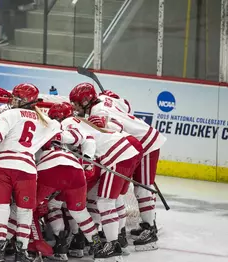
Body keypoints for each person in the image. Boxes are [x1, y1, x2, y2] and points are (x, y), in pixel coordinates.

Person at [0, 83, 61, 262]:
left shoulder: (10, 114)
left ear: (25, 100)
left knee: (1, 209)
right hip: (26, 167)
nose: (14, 101)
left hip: (3, 164)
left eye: (17, 98)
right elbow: (59, 131)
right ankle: (22, 255)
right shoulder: (47, 122)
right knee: (25, 212)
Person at [69, 82, 166, 252]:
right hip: (138, 143)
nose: (76, 108)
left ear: (85, 101)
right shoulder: (105, 99)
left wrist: (104, 125)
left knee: (142, 187)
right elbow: (126, 105)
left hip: (145, 144)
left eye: (77, 104)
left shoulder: (98, 111)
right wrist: (113, 96)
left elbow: (116, 128)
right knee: (137, 188)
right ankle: (147, 225)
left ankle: (149, 229)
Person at [38, 102, 102, 262]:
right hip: (78, 171)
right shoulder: (72, 127)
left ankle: (59, 244)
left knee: (34, 207)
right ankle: (95, 245)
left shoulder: (58, 126)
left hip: (51, 170)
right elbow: (87, 139)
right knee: (78, 210)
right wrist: (87, 162)